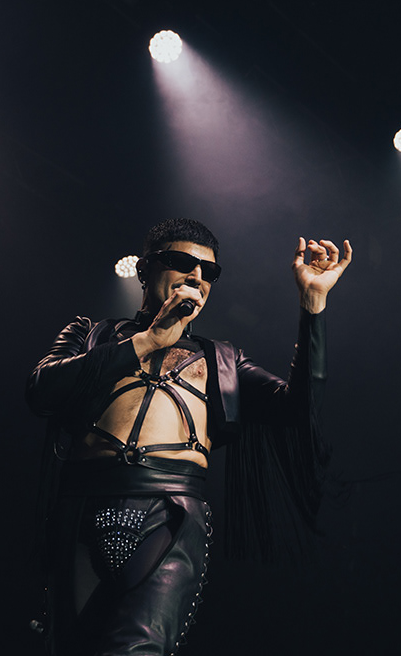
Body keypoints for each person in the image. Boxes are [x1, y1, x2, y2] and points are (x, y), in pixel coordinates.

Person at [25, 218, 351, 656]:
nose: (197, 275)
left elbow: (299, 411)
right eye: (182, 262)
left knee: (137, 650)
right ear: (145, 270)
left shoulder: (223, 360)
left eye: (209, 271)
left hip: (170, 515)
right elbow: (42, 391)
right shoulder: (90, 334)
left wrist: (313, 304)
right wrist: (149, 340)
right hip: (82, 508)